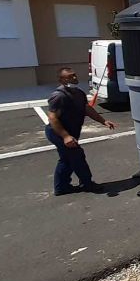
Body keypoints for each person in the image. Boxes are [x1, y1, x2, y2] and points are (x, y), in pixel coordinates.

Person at [45, 67, 116, 196]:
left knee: (67, 159)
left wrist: (103, 121)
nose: (74, 78)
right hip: (58, 133)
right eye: (70, 76)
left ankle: (61, 187)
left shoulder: (78, 93)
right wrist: (66, 136)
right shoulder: (59, 96)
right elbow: (52, 118)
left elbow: (87, 109)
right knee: (77, 156)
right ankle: (87, 184)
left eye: (74, 75)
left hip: (71, 131)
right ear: (62, 80)